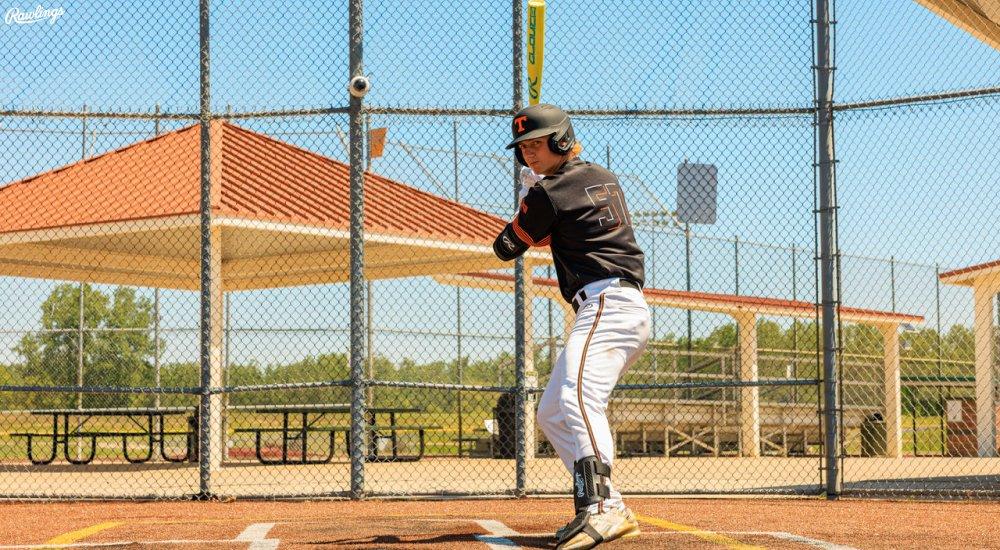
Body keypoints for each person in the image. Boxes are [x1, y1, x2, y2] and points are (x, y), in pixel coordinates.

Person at [492, 103, 650, 549]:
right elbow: (560, 223)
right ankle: (611, 503)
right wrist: (538, 196)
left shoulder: (550, 192)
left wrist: (531, 200)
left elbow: (507, 246)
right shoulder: (603, 175)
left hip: (606, 302)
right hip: (619, 305)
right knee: (551, 412)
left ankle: (602, 509)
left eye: (538, 144)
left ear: (562, 139)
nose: (529, 156)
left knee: (575, 398)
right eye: (523, 148)